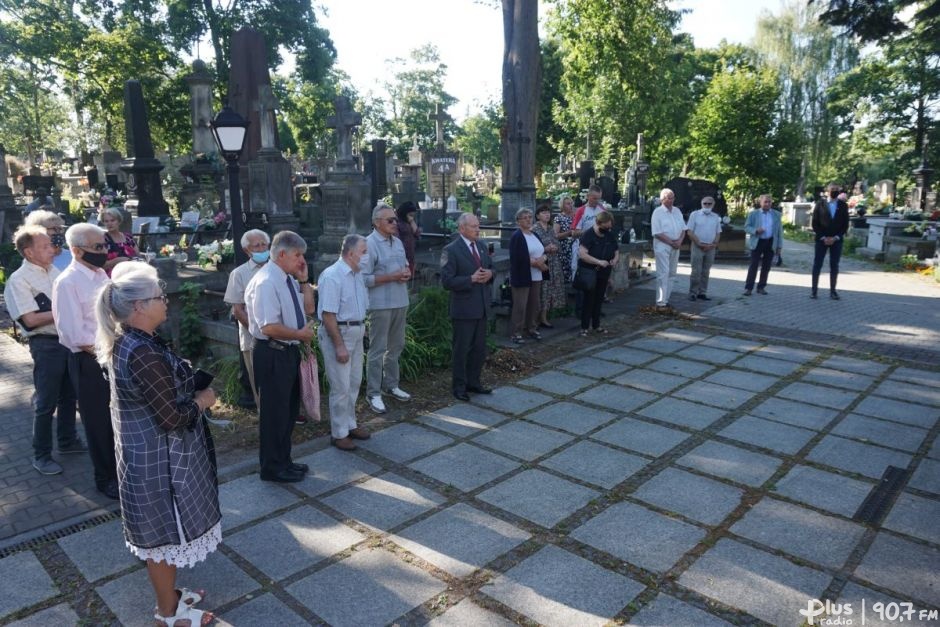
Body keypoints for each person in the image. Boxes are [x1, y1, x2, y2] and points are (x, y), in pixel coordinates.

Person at [94, 262, 219, 627]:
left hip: (149, 455)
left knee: (164, 536)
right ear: (138, 307)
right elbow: (170, 418)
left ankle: (172, 598)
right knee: (162, 540)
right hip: (157, 461)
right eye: (158, 297)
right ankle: (167, 614)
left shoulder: (133, 341)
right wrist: (203, 401)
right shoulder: (141, 351)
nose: (166, 302)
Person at [4, 226, 84, 476]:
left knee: (69, 396)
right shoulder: (20, 280)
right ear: (29, 252)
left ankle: (68, 441)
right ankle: (41, 455)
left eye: (51, 244)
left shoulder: (53, 270)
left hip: (66, 341)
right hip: (46, 346)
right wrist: (66, 309)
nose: (53, 249)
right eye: (46, 246)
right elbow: (30, 320)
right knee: (46, 402)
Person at [52, 223, 119, 499]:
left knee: (118, 418)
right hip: (89, 361)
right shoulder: (67, 282)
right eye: (98, 247)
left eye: (105, 245)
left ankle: (124, 470)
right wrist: (110, 352)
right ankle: (106, 478)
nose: (104, 251)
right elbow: (74, 333)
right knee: (99, 421)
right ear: (77, 251)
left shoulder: (101, 274)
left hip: (112, 353)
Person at [245, 231, 316, 481]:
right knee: (274, 413)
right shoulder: (266, 281)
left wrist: (304, 279)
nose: (301, 260)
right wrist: (299, 333)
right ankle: (272, 468)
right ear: (282, 254)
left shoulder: (286, 279)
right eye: (298, 255)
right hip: (272, 352)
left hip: (288, 350)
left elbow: (308, 308)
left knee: (288, 411)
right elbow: (268, 327)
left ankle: (285, 460)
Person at [317, 234, 371, 451]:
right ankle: (339, 433)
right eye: (364, 252)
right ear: (350, 253)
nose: (366, 256)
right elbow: (328, 315)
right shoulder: (332, 276)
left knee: (354, 381)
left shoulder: (357, 273)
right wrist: (339, 345)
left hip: (356, 332)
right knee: (340, 386)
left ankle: (350, 424)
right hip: (339, 333)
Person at [362, 204, 412, 415]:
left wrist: (407, 272)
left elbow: (405, 264)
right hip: (380, 305)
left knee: (396, 346)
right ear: (376, 222)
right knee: (377, 350)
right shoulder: (368, 244)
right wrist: (392, 277)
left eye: (395, 219)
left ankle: (391, 385)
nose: (395, 223)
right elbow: (363, 278)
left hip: (400, 300)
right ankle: (373, 393)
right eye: (390, 220)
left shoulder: (398, 242)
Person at [441, 213, 493, 401]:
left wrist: (490, 274)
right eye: (474, 226)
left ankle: (474, 382)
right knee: (462, 350)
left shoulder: (481, 246)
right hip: (463, 309)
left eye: (478, 226)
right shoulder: (451, 250)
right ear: (462, 228)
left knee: (479, 349)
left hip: (481, 307)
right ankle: (459, 386)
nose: (478, 229)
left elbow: (490, 267)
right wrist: (470, 279)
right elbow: (446, 281)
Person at [223, 229, 270, 411]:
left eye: (264, 244)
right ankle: (266, 420)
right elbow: (238, 310)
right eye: (256, 246)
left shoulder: (278, 268)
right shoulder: (239, 274)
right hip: (254, 340)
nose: (261, 248)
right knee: (260, 385)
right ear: (246, 250)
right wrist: (259, 333)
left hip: (280, 337)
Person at [508, 208, 548, 344]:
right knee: (520, 305)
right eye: (524, 217)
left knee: (534, 304)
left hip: (536, 275)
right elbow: (518, 257)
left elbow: (542, 250)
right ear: (518, 221)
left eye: (530, 217)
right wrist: (538, 264)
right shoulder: (517, 236)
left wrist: (543, 259)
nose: (528, 219)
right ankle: (516, 332)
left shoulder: (534, 234)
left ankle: (531, 328)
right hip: (523, 275)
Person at [577, 210, 619, 336]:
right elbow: (582, 254)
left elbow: (616, 250)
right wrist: (598, 262)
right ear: (599, 223)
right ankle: (584, 327)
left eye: (610, 226)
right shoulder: (588, 235)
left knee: (599, 299)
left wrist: (615, 259)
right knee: (588, 300)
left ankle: (596, 325)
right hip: (590, 271)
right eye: (606, 227)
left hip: (604, 272)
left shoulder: (609, 235)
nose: (608, 229)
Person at [811, 184, 850, 300]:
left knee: (834, 265)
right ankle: (814, 291)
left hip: (836, 241)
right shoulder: (820, 204)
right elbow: (815, 223)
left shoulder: (843, 205)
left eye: (837, 190)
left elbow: (845, 225)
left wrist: (835, 238)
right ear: (827, 192)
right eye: (833, 190)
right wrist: (823, 237)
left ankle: (833, 291)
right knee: (817, 264)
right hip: (821, 239)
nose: (835, 192)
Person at [651, 188, 686, 310]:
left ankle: (666, 299)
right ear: (662, 199)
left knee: (672, 273)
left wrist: (680, 241)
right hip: (663, 245)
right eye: (668, 198)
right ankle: (660, 302)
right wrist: (672, 242)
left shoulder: (677, 211)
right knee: (663, 273)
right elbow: (657, 233)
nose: (671, 200)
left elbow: (683, 229)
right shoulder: (657, 212)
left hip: (676, 244)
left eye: (672, 197)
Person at [743, 194, 783, 296]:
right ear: (760, 203)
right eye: (765, 202)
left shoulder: (776, 215)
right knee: (754, 265)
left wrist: (779, 246)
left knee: (766, 266)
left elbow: (779, 232)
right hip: (757, 242)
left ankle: (761, 287)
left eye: (769, 202)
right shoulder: (753, 214)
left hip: (770, 242)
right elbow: (746, 227)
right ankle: (748, 288)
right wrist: (755, 230)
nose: (767, 204)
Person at [533, 202, 565, 328]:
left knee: (550, 289)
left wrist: (555, 247)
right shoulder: (535, 229)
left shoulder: (551, 228)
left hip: (554, 262)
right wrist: (545, 248)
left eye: (548, 212)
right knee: (542, 290)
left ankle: (545, 316)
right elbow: (533, 248)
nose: (547, 215)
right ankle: (535, 318)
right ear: (537, 215)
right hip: (542, 263)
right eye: (543, 213)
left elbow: (558, 243)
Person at [686, 196, 722, 301]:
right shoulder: (694, 215)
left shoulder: (716, 217)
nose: (706, 205)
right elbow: (689, 232)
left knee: (706, 272)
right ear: (701, 204)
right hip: (697, 246)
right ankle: (692, 293)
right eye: (704, 203)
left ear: (713, 205)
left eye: (709, 204)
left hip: (710, 247)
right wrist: (699, 243)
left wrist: (714, 244)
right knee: (696, 271)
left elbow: (718, 232)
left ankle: (702, 292)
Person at [99, 206, 138, 274]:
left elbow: (138, 255)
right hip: (113, 276)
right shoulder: (102, 240)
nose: (109, 223)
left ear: (119, 221)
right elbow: (99, 265)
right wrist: (117, 260)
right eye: (106, 221)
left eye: (112, 220)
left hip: (131, 274)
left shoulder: (128, 238)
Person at [553, 194, 580, 285]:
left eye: (571, 203)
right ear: (562, 206)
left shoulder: (577, 216)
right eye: (568, 204)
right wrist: (568, 233)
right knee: (567, 268)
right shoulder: (559, 218)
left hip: (577, 245)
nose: (571, 205)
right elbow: (555, 235)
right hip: (565, 247)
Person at [395, 201, 421, 274]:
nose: (411, 217)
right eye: (410, 215)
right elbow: (397, 239)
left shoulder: (409, 221)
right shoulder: (396, 223)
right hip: (402, 255)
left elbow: (417, 234)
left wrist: (412, 222)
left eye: (413, 215)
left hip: (411, 254)